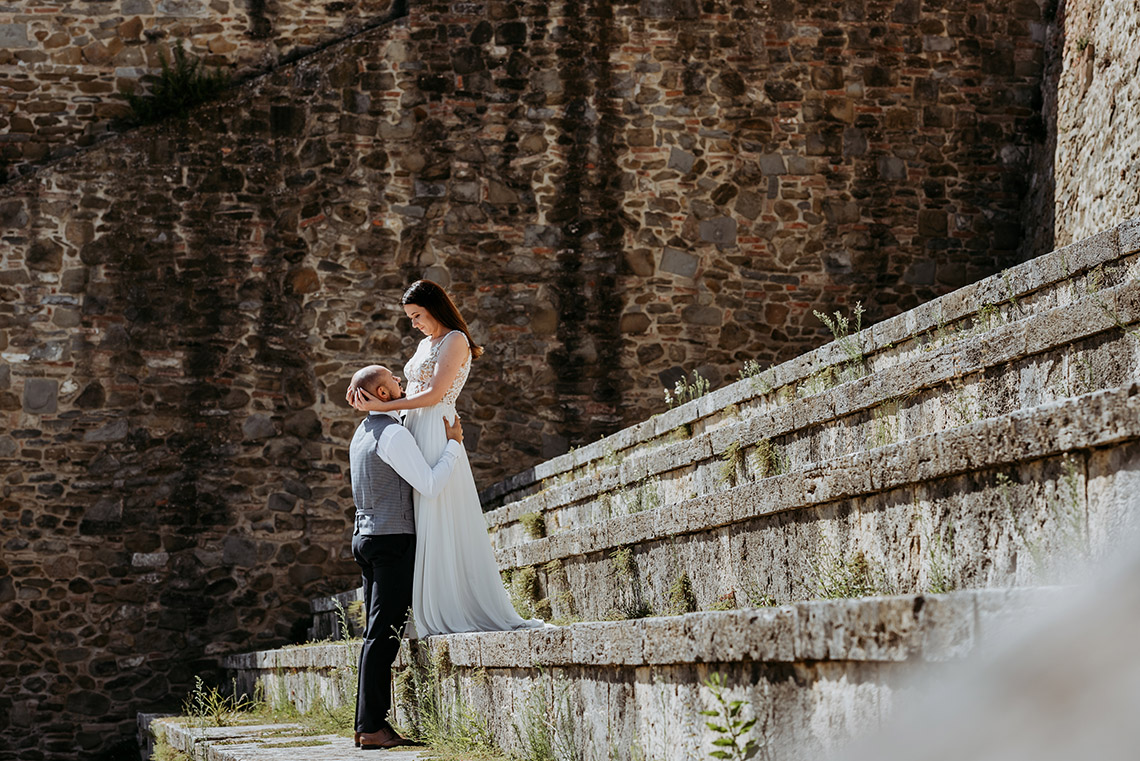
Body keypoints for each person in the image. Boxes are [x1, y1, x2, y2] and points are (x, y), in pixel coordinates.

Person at [347, 279, 546, 636]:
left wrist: (386, 405)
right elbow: (410, 389)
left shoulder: (455, 340)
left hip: (437, 428)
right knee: (419, 518)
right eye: (410, 317)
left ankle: (448, 605)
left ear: (434, 308)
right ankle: (420, 605)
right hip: (414, 427)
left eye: (417, 315)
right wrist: (369, 398)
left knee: (436, 509)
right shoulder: (426, 343)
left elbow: (435, 393)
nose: (414, 323)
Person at [347, 363, 466, 750]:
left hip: (365, 538)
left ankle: (366, 724)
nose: (401, 382)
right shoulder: (393, 435)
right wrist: (453, 445)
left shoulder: (361, 433)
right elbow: (429, 484)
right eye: (393, 381)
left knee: (374, 635)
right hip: (391, 540)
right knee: (383, 636)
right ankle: (372, 727)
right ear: (382, 394)